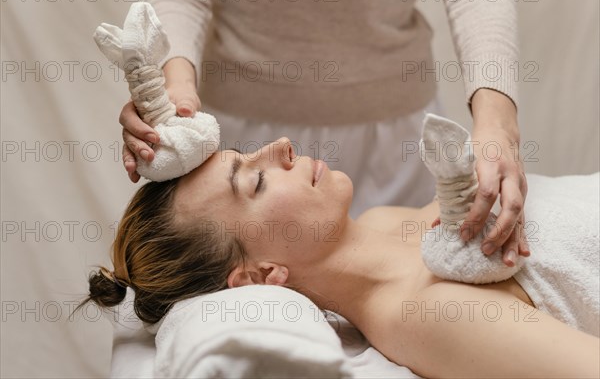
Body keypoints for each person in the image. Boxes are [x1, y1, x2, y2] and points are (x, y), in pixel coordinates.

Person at [81, 140, 598, 378]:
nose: (279, 147)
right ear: (261, 276)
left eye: (248, 152)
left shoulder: (379, 224)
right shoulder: (421, 316)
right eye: (256, 181)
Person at [118, 0, 528, 265]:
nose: (288, 148)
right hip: (240, 134)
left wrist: (498, 124)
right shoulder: (245, 170)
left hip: (397, 140)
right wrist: (172, 89)